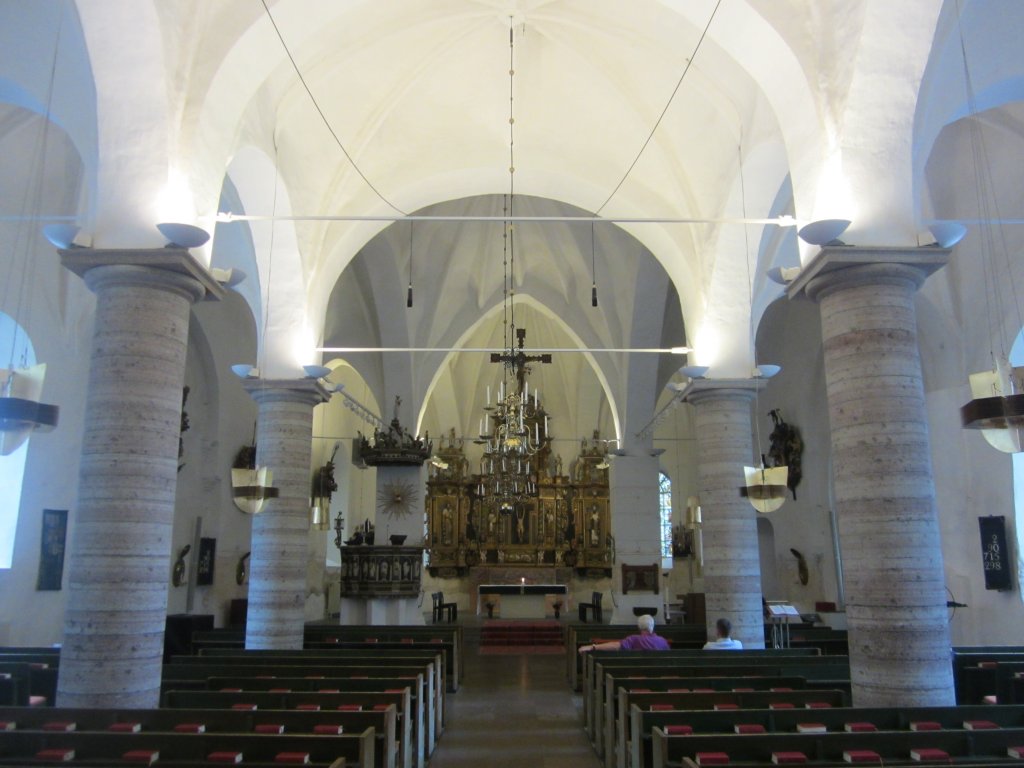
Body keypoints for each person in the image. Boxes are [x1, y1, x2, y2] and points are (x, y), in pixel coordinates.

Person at [578, 614, 670, 653]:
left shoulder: (634, 639)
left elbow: (615, 645)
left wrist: (592, 647)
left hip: (637, 675)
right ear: (653, 626)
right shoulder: (663, 641)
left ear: (639, 627)